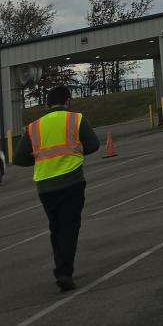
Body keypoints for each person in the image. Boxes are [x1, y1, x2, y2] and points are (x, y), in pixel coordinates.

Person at [12, 85, 101, 292]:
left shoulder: (34, 127)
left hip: (45, 186)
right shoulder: (75, 119)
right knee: (70, 227)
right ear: (68, 101)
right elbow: (94, 144)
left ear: (47, 104)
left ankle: (61, 267)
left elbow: (18, 158)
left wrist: (39, 159)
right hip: (71, 181)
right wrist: (76, 152)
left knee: (56, 228)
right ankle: (64, 272)